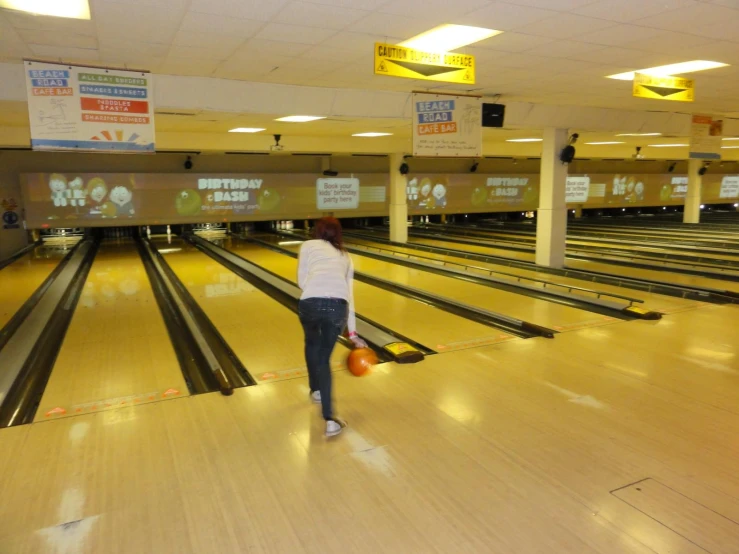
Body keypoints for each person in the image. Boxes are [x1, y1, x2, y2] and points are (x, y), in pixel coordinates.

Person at [297, 217, 366, 437]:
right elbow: (350, 296)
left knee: (311, 342)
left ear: (316, 231)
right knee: (324, 359)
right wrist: (353, 334)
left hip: (309, 303)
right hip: (338, 307)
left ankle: (315, 390)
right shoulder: (346, 256)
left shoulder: (307, 245)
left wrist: (317, 291)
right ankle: (329, 419)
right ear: (339, 234)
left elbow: (301, 281)